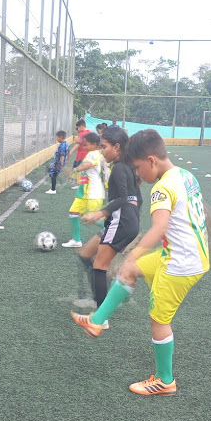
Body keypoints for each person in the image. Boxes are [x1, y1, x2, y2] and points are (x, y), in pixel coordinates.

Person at [71, 129, 210, 396]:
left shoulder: (161, 188)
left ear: (151, 160)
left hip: (180, 262)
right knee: (130, 271)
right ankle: (97, 321)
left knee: (159, 319)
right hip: (186, 253)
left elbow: (159, 228)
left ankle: (165, 380)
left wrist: (132, 253)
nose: (137, 174)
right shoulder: (185, 175)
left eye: (137, 167)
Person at [74, 126, 141, 325]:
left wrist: (99, 213)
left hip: (121, 221)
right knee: (85, 254)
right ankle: (106, 294)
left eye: (104, 147)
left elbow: (122, 198)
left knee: (99, 266)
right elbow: (137, 199)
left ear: (117, 147)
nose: (101, 151)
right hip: (123, 221)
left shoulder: (120, 168)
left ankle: (100, 318)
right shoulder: (127, 166)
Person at [62, 133, 105, 248]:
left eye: (86, 145)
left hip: (93, 193)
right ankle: (76, 240)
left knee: (95, 218)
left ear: (94, 144)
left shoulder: (94, 154)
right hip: (83, 192)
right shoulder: (94, 153)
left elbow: (87, 165)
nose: (84, 147)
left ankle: (115, 234)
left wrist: (74, 169)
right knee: (73, 212)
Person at [68, 119, 91, 189]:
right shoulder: (90, 132)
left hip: (81, 155)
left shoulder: (82, 134)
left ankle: (78, 184)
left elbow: (78, 144)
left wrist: (70, 152)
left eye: (78, 127)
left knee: (77, 169)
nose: (77, 129)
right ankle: (83, 183)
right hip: (87, 155)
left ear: (81, 126)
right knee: (85, 170)